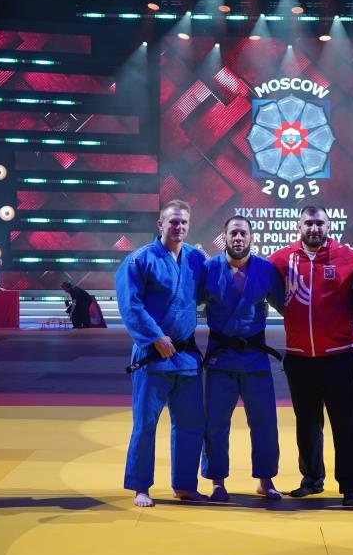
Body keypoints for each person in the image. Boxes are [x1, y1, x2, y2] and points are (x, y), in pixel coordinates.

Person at [268, 205, 353, 506]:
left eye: (319, 223)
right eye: (309, 223)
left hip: (339, 356)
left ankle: (350, 487)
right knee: (307, 425)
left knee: (346, 425)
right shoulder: (281, 259)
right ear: (299, 226)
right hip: (299, 358)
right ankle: (312, 480)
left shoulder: (350, 257)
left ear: (328, 225)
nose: (314, 228)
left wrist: (344, 321)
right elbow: (273, 294)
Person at [116, 199, 208, 507]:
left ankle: (185, 485)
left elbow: (207, 294)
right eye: (173, 222)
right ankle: (141, 486)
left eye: (183, 222)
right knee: (145, 425)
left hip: (186, 357)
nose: (178, 227)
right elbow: (130, 305)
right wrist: (155, 336)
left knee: (191, 424)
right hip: (153, 357)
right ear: (160, 224)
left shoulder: (196, 259)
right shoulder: (139, 260)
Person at [199, 216, 285, 502]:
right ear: (224, 237)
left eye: (243, 233)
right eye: (233, 233)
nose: (238, 238)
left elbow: (287, 306)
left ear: (251, 238)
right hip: (220, 358)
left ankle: (266, 479)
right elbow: (188, 303)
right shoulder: (209, 269)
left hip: (255, 357)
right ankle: (217, 481)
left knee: (264, 422)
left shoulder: (266, 269)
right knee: (215, 423)